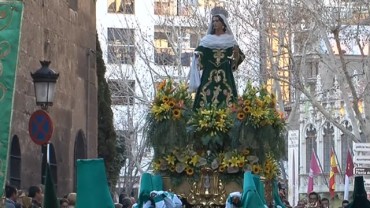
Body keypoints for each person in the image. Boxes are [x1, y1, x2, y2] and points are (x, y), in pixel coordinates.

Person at [191, 6, 245, 109]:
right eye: (213, 21)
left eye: (217, 21)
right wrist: (198, 56)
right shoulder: (207, 40)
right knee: (205, 96)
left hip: (225, 74)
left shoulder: (230, 40)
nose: (214, 23)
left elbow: (236, 60)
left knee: (228, 99)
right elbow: (200, 55)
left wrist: (236, 55)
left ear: (223, 23)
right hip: (208, 74)